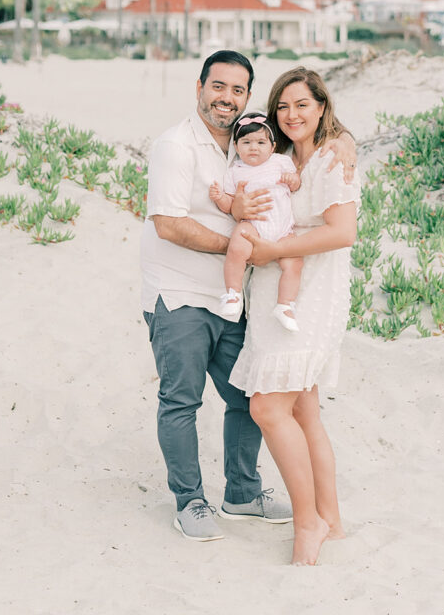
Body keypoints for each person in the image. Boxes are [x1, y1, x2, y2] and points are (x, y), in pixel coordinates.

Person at [141, 50, 356, 543]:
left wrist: (344, 139)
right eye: (218, 87)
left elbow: (311, 139)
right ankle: (189, 500)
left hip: (238, 296)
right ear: (199, 86)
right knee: (181, 401)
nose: (227, 98)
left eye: (238, 90)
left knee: (248, 396)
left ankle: (241, 491)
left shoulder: (249, 144)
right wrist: (248, 246)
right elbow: (168, 223)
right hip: (181, 294)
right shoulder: (176, 145)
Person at [228, 66, 360, 567]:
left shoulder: (332, 158)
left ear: (322, 107)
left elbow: (342, 232)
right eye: (283, 106)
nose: (292, 114)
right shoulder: (279, 160)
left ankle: (307, 521)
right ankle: (331, 517)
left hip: (313, 291)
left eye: (302, 104)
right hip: (273, 292)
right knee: (303, 411)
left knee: (267, 408)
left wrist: (275, 247)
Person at [209, 112, 303, 332]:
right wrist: (219, 197)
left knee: (294, 263)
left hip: (282, 228)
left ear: (272, 147)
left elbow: (296, 183)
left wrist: (293, 179)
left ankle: (285, 305)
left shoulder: (281, 162)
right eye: (247, 142)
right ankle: (233, 294)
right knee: (237, 245)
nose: (254, 147)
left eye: (261, 142)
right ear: (236, 146)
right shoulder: (235, 171)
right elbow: (230, 205)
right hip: (253, 226)